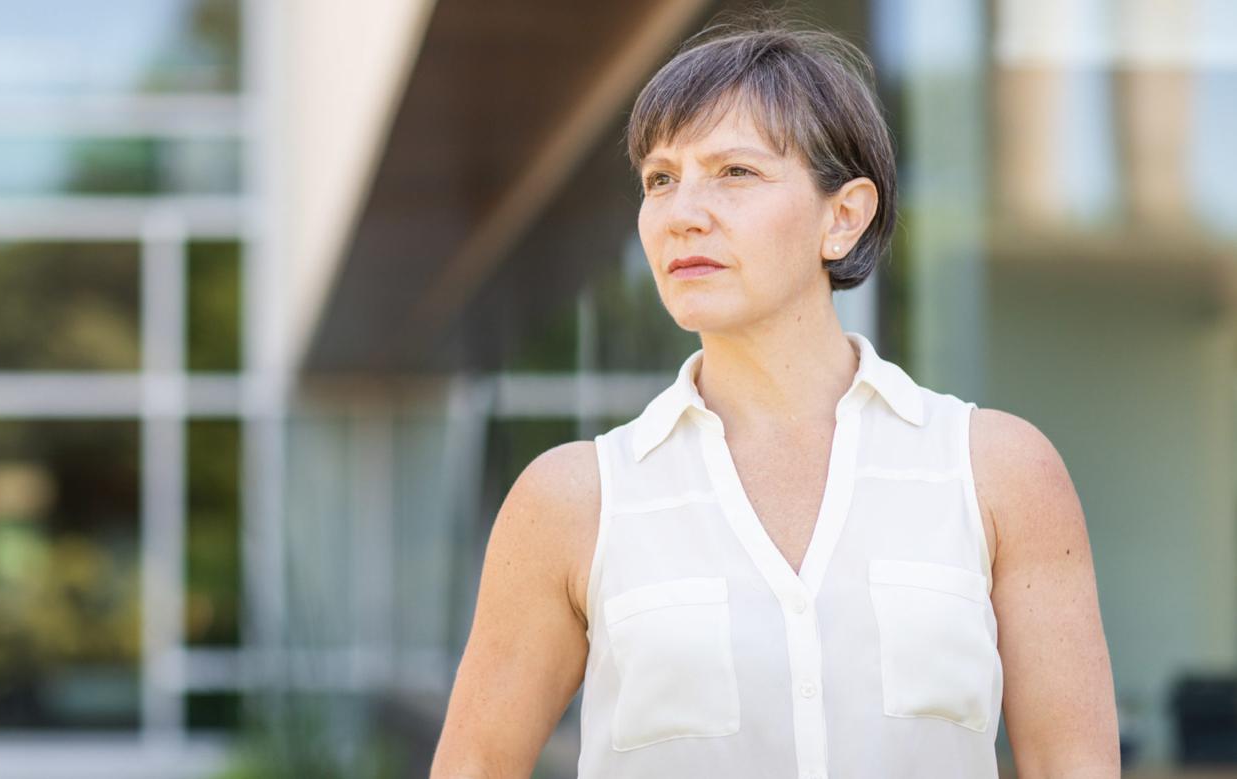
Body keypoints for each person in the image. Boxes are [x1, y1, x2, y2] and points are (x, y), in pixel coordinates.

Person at [429, 12, 1120, 779]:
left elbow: (1074, 764)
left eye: (735, 172)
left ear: (843, 217)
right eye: (661, 179)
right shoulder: (572, 501)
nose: (682, 213)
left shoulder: (998, 473)